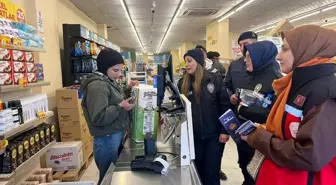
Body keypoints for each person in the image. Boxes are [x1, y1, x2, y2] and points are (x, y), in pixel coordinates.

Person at [241, 25, 336, 185]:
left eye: (285, 49)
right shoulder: (297, 84)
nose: (278, 56)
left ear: (306, 49)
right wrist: (266, 130)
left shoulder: (324, 92)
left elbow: (310, 155)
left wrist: (260, 138)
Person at [81, 49, 138, 185]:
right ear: (105, 67)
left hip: (113, 136)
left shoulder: (106, 80)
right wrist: (121, 106)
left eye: (120, 70)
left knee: (112, 177)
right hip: (107, 139)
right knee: (108, 178)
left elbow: (112, 99)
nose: (119, 74)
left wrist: (127, 89)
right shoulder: (97, 86)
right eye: (115, 70)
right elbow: (99, 117)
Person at [179, 49, 230, 185]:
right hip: (194, 137)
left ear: (199, 62)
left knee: (211, 172)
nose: (187, 64)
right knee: (197, 171)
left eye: (190, 61)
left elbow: (225, 105)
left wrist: (225, 131)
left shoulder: (214, 79)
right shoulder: (183, 83)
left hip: (214, 135)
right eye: (186, 61)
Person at [235, 41, 283, 185]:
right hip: (244, 135)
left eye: (249, 57)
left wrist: (243, 109)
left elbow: (273, 114)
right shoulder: (252, 75)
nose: (245, 60)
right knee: (245, 169)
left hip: (260, 141)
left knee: (256, 175)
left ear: (259, 57)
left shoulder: (276, 81)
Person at [225, 31, 258, 108]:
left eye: (245, 44)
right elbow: (226, 85)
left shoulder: (264, 64)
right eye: (240, 45)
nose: (242, 48)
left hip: (257, 112)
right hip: (237, 108)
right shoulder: (234, 64)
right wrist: (230, 96)